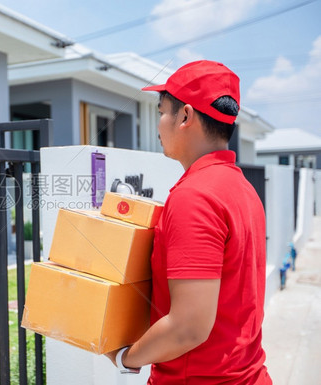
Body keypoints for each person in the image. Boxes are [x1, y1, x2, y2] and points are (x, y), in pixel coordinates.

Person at [106, 60, 272, 384]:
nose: (158, 124)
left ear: (185, 116)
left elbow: (188, 327)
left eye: (161, 112)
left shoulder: (194, 197)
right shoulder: (244, 189)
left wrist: (127, 358)